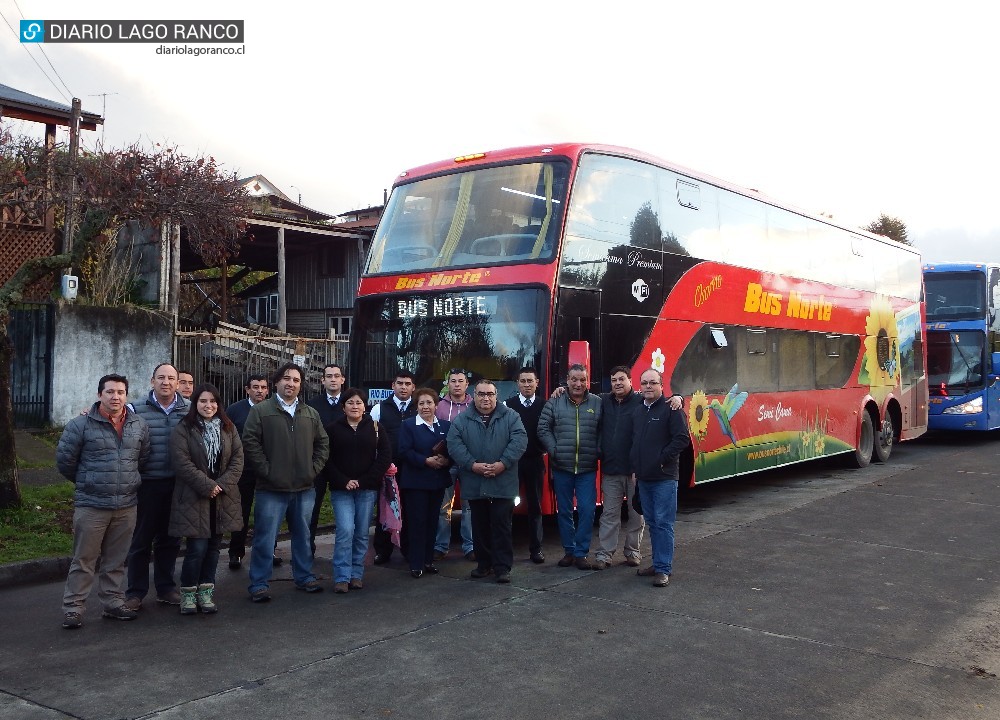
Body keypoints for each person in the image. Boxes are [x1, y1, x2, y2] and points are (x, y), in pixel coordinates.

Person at [56, 374, 151, 629]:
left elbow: (142, 458)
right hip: (92, 505)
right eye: (110, 392)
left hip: (126, 505)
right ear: (100, 395)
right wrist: (89, 481)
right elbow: (65, 462)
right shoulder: (80, 425)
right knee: (84, 559)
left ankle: (113, 603)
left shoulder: (138, 425)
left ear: (126, 396)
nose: (115, 397)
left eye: (120, 392)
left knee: (116, 560)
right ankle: (73, 608)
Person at [242, 362, 330, 602]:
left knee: (302, 535)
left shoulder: (310, 413)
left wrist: (312, 470)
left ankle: (304, 577)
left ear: (300, 385)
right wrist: (268, 471)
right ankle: (259, 583)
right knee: (265, 538)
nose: (291, 383)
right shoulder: (260, 411)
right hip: (271, 489)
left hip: (304, 488)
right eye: (286, 379)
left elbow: (323, 443)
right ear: (277, 382)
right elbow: (250, 442)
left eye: (296, 380)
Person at [168, 383, 244, 615]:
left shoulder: (228, 428)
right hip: (194, 497)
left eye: (213, 401)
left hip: (222, 498)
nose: (208, 405)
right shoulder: (184, 428)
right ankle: (188, 594)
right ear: (195, 404)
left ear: (218, 404)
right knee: (196, 549)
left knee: (213, 549)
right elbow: (181, 462)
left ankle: (206, 592)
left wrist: (220, 485)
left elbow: (238, 459)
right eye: (203, 401)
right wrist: (207, 485)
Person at [447, 378, 527, 583]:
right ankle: (484, 565)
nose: (485, 398)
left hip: (504, 481)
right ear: (474, 396)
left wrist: (503, 463)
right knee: (479, 525)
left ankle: (502, 568)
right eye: (481, 394)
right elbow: (454, 444)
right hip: (475, 481)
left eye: (490, 394)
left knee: (502, 525)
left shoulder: (511, 416)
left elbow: (519, 441)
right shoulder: (462, 420)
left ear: (496, 396)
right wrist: (472, 465)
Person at [124, 363, 190, 610]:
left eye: (171, 378)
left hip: (178, 484)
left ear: (177, 382)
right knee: (141, 540)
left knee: (170, 539)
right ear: (152, 381)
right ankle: (135, 592)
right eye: (161, 378)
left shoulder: (189, 409)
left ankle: (165, 588)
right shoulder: (135, 409)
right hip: (147, 484)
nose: (166, 382)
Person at [321, 387, 391, 593]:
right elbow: (325, 458)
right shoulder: (332, 429)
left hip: (367, 489)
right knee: (345, 531)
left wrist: (365, 480)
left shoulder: (376, 427)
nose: (355, 406)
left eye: (359, 402)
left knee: (361, 533)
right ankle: (341, 577)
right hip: (341, 489)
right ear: (343, 407)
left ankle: (356, 575)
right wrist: (343, 480)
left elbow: (385, 456)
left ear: (365, 406)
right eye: (350, 403)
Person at [537, 364, 602, 570]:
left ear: (587, 381)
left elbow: (605, 429)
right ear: (567, 380)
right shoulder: (555, 401)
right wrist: (554, 449)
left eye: (582, 379)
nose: (578, 383)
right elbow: (543, 428)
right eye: (574, 379)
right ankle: (569, 551)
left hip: (587, 468)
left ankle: (581, 553)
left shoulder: (598, 403)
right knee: (564, 511)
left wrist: (597, 449)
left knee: (587, 509)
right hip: (561, 467)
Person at [631, 368, 690, 587]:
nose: (648, 386)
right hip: (644, 478)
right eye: (644, 383)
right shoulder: (638, 411)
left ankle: (664, 569)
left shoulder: (671, 409)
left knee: (664, 524)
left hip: (664, 477)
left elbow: (682, 439)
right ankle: (657, 564)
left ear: (661, 386)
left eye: (652, 383)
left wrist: (661, 458)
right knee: (653, 523)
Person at [225, 373, 279, 570]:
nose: (260, 391)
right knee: (242, 511)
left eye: (264, 387)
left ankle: (268, 551)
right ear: (247, 389)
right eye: (255, 387)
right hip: (243, 470)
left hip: (268, 469)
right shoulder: (235, 410)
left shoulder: (275, 408)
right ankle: (236, 552)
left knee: (268, 513)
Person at [593, 366, 645, 570]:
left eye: (621, 379)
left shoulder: (641, 401)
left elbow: (664, 401)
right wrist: (560, 390)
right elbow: (579, 394)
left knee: (636, 514)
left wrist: (678, 397)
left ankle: (633, 552)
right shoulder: (604, 400)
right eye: (614, 380)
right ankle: (604, 555)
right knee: (609, 514)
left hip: (635, 472)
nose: (617, 383)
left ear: (630, 381)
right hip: (612, 470)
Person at [399, 387, 452, 578]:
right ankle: (416, 563)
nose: (425, 406)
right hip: (416, 483)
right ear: (416, 406)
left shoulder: (445, 426)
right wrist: (425, 461)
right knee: (417, 522)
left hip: (437, 482)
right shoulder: (408, 425)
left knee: (432, 522)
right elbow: (404, 451)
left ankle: (428, 560)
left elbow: (452, 450)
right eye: (421, 403)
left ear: (436, 405)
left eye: (429, 402)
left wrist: (446, 461)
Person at [369, 370, 416, 564]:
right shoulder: (379, 409)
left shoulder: (420, 406)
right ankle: (383, 550)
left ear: (413, 387)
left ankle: (408, 549)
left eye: (407, 384)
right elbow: (372, 440)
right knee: (385, 509)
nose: (403, 387)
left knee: (410, 509)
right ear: (392, 386)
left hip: (413, 467)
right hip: (387, 469)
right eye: (399, 383)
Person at [504, 366, 546, 564]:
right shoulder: (507, 405)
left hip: (535, 462)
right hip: (513, 463)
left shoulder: (545, 405)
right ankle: (505, 550)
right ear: (517, 384)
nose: (527, 385)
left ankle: (536, 550)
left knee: (535, 507)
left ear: (537, 383)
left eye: (531, 381)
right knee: (507, 506)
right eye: (523, 381)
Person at [434, 368, 474, 561]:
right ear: (447, 384)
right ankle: (440, 546)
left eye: (460, 381)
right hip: (446, 463)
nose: (457, 384)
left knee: (469, 507)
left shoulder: (476, 405)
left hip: (469, 464)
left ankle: (471, 546)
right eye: (453, 381)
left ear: (467, 384)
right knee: (443, 507)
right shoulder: (438, 407)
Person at [307, 363, 347, 557]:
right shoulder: (312, 405)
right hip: (318, 465)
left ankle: (344, 552)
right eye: (329, 376)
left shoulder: (350, 403)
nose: (333, 379)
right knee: (311, 510)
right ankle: (308, 549)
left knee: (345, 512)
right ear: (322, 380)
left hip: (343, 464)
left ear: (342, 380)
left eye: (336, 376)